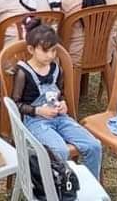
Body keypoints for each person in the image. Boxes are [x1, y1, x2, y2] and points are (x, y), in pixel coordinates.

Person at [9, 20, 102, 177]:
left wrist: (63, 103)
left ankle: (90, 185)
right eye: (45, 51)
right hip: (36, 121)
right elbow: (15, 103)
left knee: (94, 145)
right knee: (59, 150)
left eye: (53, 51)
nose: (50, 56)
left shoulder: (56, 69)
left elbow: (60, 92)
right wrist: (38, 110)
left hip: (59, 117)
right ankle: (60, 189)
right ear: (31, 49)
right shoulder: (23, 72)